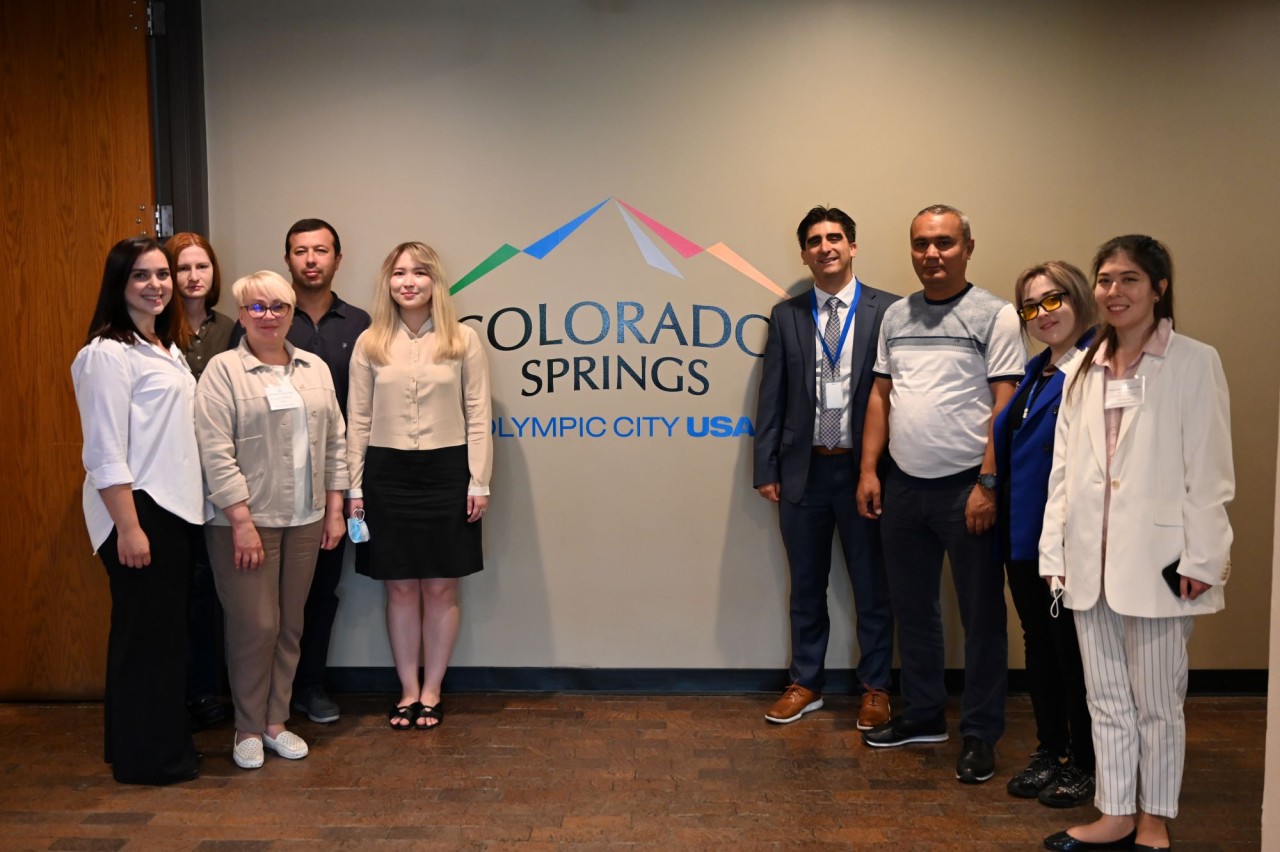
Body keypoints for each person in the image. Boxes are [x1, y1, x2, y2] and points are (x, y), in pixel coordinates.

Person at [1040, 236, 1233, 851]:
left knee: (1157, 701)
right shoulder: (1081, 369)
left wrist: (1203, 558)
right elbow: (1063, 473)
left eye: (1128, 280)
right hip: (1087, 562)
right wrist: (1055, 556)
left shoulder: (1193, 361)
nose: (1113, 292)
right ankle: (1116, 810)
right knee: (1106, 699)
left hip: (1160, 564)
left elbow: (1210, 471)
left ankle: (1155, 816)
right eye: (1104, 280)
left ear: (1159, 288)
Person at [857, 204, 1025, 784]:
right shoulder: (897, 315)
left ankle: (980, 733)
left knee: (982, 618)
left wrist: (988, 482)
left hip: (966, 491)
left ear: (968, 248)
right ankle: (924, 713)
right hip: (903, 487)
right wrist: (869, 471)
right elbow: (881, 396)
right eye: (922, 244)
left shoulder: (995, 314)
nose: (932, 254)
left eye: (945, 243)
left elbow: (1005, 406)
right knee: (915, 611)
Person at [196, 270, 349, 770]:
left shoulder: (315, 369)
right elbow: (214, 450)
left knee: (290, 624)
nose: (268, 316)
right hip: (245, 521)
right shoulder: (223, 370)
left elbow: (335, 444)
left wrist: (334, 508)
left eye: (278, 307)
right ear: (241, 314)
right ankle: (246, 726)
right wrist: (239, 518)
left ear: (291, 313)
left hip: (305, 517)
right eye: (256, 307)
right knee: (254, 625)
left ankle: (276, 722)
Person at [752, 206, 898, 728]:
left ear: (853, 247)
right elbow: (772, 396)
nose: (826, 247)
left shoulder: (890, 310)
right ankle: (806, 682)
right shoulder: (787, 314)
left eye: (835, 238)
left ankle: (876, 687)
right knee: (806, 585)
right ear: (804, 254)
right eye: (814, 241)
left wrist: (881, 468)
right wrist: (765, 466)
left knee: (872, 586)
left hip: (867, 473)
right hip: (803, 472)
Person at [71, 236, 204, 785]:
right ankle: (144, 760)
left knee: (162, 639)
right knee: (143, 641)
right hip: (139, 510)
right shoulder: (106, 354)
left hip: (173, 511)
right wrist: (128, 527)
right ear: (118, 285)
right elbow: (104, 449)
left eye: (162, 275)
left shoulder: (165, 347)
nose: (156, 285)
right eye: (141, 277)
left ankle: (157, 748)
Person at [346, 242, 492, 730]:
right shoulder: (370, 343)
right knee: (401, 589)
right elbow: (358, 422)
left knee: (441, 587)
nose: (408, 281)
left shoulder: (463, 340)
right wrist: (354, 488)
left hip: (447, 472)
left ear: (435, 282)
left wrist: (479, 481)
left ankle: (434, 690)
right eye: (399, 273)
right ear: (387, 282)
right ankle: (408, 689)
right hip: (385, 475)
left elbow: (478, 416)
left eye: (419, 273)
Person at [232, 218, 372, 723]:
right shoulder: (256, 320)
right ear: (287, 258)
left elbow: (357, 415)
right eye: (300, 251)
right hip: (263, 490)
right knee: (259, 608)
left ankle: (306, 687)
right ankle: (256, 705)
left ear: (338, 258)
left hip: (327, 488)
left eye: (321, 251)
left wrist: (343, 495)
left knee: (317, 594)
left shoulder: (361, 325)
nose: (311, 259)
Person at [993, 262, 1097, 807]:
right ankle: (1050, 749)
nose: (1042, 314)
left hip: (1068, 541)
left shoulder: (1099, 366)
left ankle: (1085, 760)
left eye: (1052, 300)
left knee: (1072, 651)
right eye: (1031, 307)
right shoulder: (1037, 371)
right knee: (1039, 646)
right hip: (1022, 537)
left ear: (1079, 298)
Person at [165, 232, 235, 731]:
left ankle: (211, 691)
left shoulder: (230, 329)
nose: (193, 277)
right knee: (175, 588)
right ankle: (179, 692)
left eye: (201, 267)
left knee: (211, 588)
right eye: (181, 267)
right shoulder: (150, 330)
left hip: (217, 479)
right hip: (166, 478)